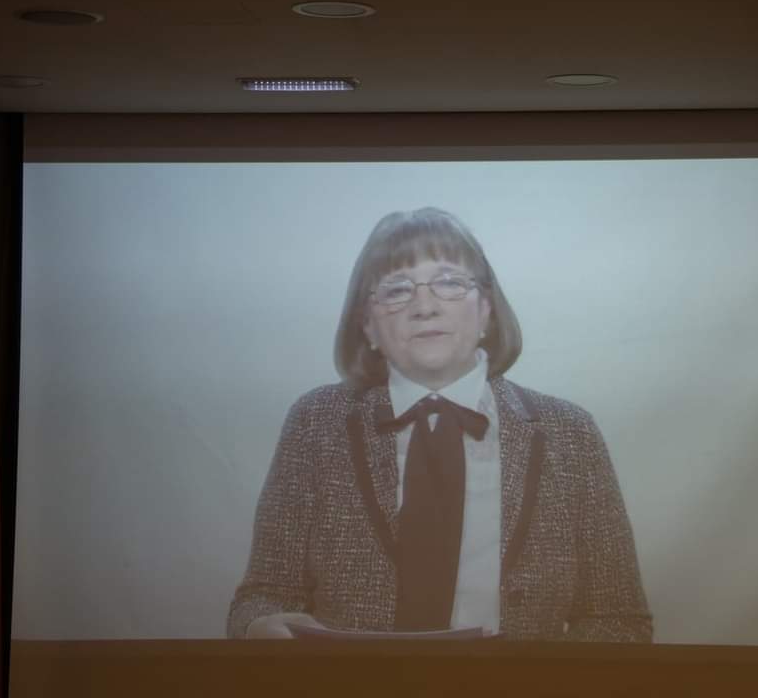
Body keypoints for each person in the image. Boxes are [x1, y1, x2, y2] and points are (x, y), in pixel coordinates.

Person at [227, 207, 652, 642]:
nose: (425, 307)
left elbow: (619, 619)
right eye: (397, 290)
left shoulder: (571, 433)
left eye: (449, 282)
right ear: (368, 326)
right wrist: (259, 626)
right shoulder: (316, 422)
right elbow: (262, 598)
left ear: (486, 310)